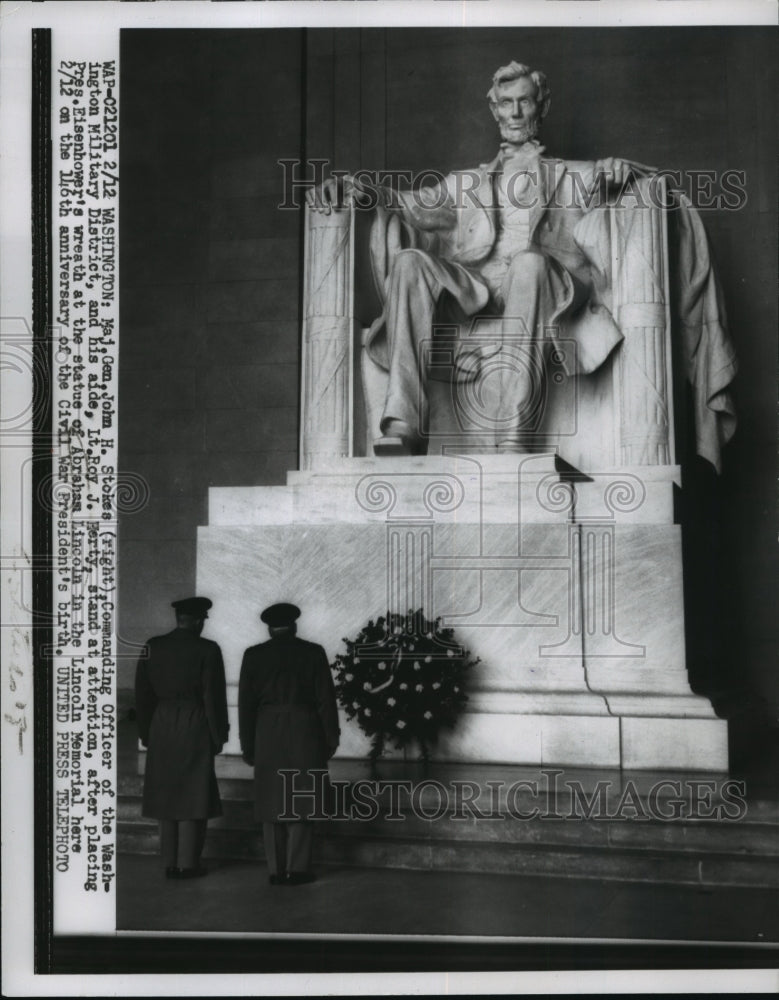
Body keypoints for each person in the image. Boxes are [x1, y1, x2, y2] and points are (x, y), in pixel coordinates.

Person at [306, 60, 649, 454]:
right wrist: (356, 187)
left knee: (529, 263)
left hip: (541, 284)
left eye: (524, 101)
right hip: (474, 288)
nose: (516, 112)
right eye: (506, 103)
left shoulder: (575, 174)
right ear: (494, 109)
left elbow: (649, 185)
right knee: (409, 263)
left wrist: (621, 173)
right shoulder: (465, 183)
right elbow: (407, 203)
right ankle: (404, 424)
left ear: (543, 106)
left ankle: (514, 433)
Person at [238, 603, 340, 886]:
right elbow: (325, 700)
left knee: (272, 799)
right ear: (294, 625)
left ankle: (275, 869)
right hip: (305, 728)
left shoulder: (253, 655)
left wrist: (248, 745)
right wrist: (331, 738)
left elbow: (246, 706)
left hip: (267, 730)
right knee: (302, 797)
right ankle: (297, 868)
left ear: (270, 629)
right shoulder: (313, 653)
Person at [135, 596, 229, 879]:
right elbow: (213, 697)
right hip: (194, 723)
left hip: (161, 724)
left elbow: (142, 695)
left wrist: (146, 733)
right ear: (199, 621)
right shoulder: (208, 649)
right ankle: (188, 864)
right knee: (193, 794)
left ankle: (170, 862)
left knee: (167, 794)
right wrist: (218, 734)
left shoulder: (153, 646)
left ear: (179, 619)